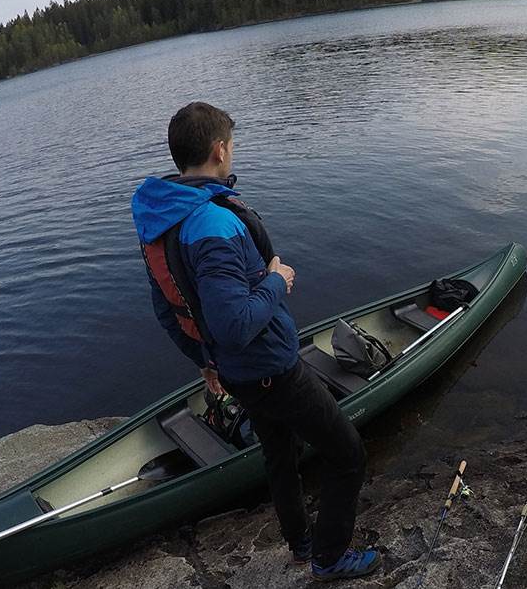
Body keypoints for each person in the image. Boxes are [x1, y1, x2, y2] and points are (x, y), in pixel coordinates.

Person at [130, 102, 381, 581]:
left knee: (279, 454)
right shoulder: (213, 225)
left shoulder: (159, 222)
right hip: (269, 368)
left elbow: (167, 309)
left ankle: (301, 543)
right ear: (219, 151)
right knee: (347, 453)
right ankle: (328, 558)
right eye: (232, 145)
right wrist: (276, 281)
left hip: (234, 372)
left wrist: (204, 360)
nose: (232, 152)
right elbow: (236, 324)